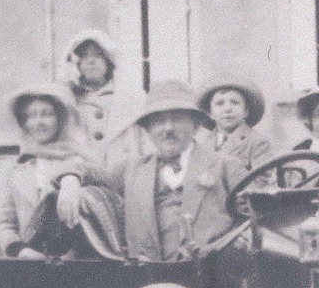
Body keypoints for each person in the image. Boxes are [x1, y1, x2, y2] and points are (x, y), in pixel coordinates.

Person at [97, 81, 248, 262]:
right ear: (148, 129)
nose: (168, 128)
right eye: (159, 121)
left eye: (177, 119)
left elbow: (252, 223)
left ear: (195, 124)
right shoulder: (131, 169)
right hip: (149, 279)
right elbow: (89, 172)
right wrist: (70, 180)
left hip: (211, 277)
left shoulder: (226, 166)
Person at [0, 84, 93, 260]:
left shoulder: (80, 160)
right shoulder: (14, 169)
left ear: (60, 119)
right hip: (29, 263)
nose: (39, 122)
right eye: (31, 116)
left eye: (47, 114)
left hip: (77, 263)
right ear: (24, 123)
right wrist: (20, 250)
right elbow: (2, 223)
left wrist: (71, 179)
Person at [198, 75, 274, 172]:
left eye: (235, 102)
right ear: (210, 113)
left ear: (246, 111)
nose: (227, 109)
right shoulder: (203, 144)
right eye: (220, 103)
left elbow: (260, 180)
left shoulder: (257, 142)